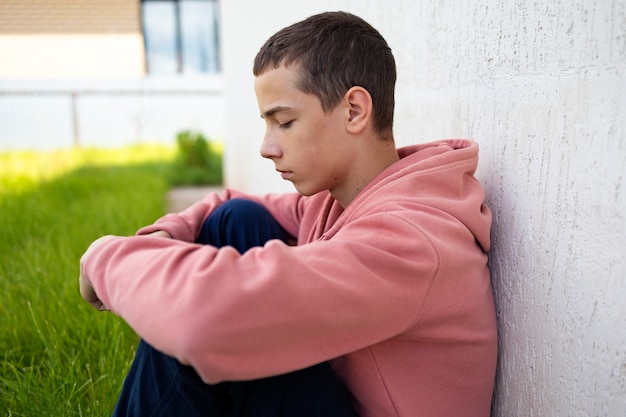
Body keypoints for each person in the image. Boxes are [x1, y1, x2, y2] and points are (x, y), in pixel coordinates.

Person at [79, 11, 498, 417]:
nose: (267, 147)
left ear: (354, 110)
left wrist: (106, 257)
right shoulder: (343, 199)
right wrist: (165, 234)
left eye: (284, 122)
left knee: (216, 325)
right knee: (237, 220)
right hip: (341, 395)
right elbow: (228, 202)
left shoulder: (412, 240)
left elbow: (202, 322)